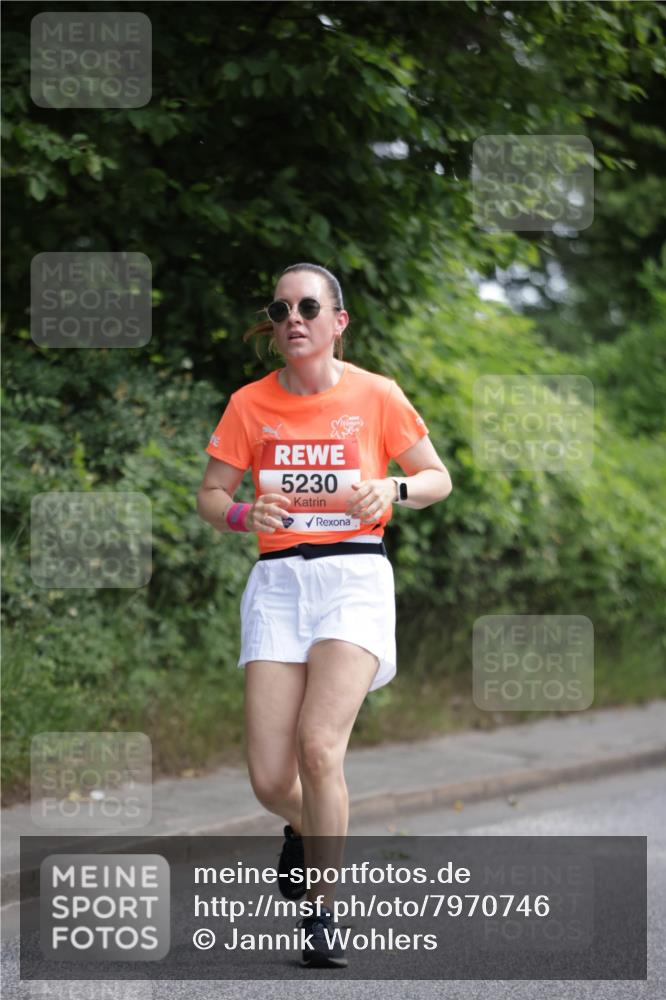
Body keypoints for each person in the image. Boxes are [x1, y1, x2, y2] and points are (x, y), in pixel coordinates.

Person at [196, 262, 452, 968]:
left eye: (308, 306)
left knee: (318, 748)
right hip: (278, 583)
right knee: (271, 781)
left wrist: (392, 488)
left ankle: (322, 912)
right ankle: (312, 834)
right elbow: (212, 494)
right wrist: (245, 511)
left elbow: (437, 478)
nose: (292, 319)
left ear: (338, 321)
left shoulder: (376, 395)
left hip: (354, 577)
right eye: (279, 310)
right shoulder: (248, 404)